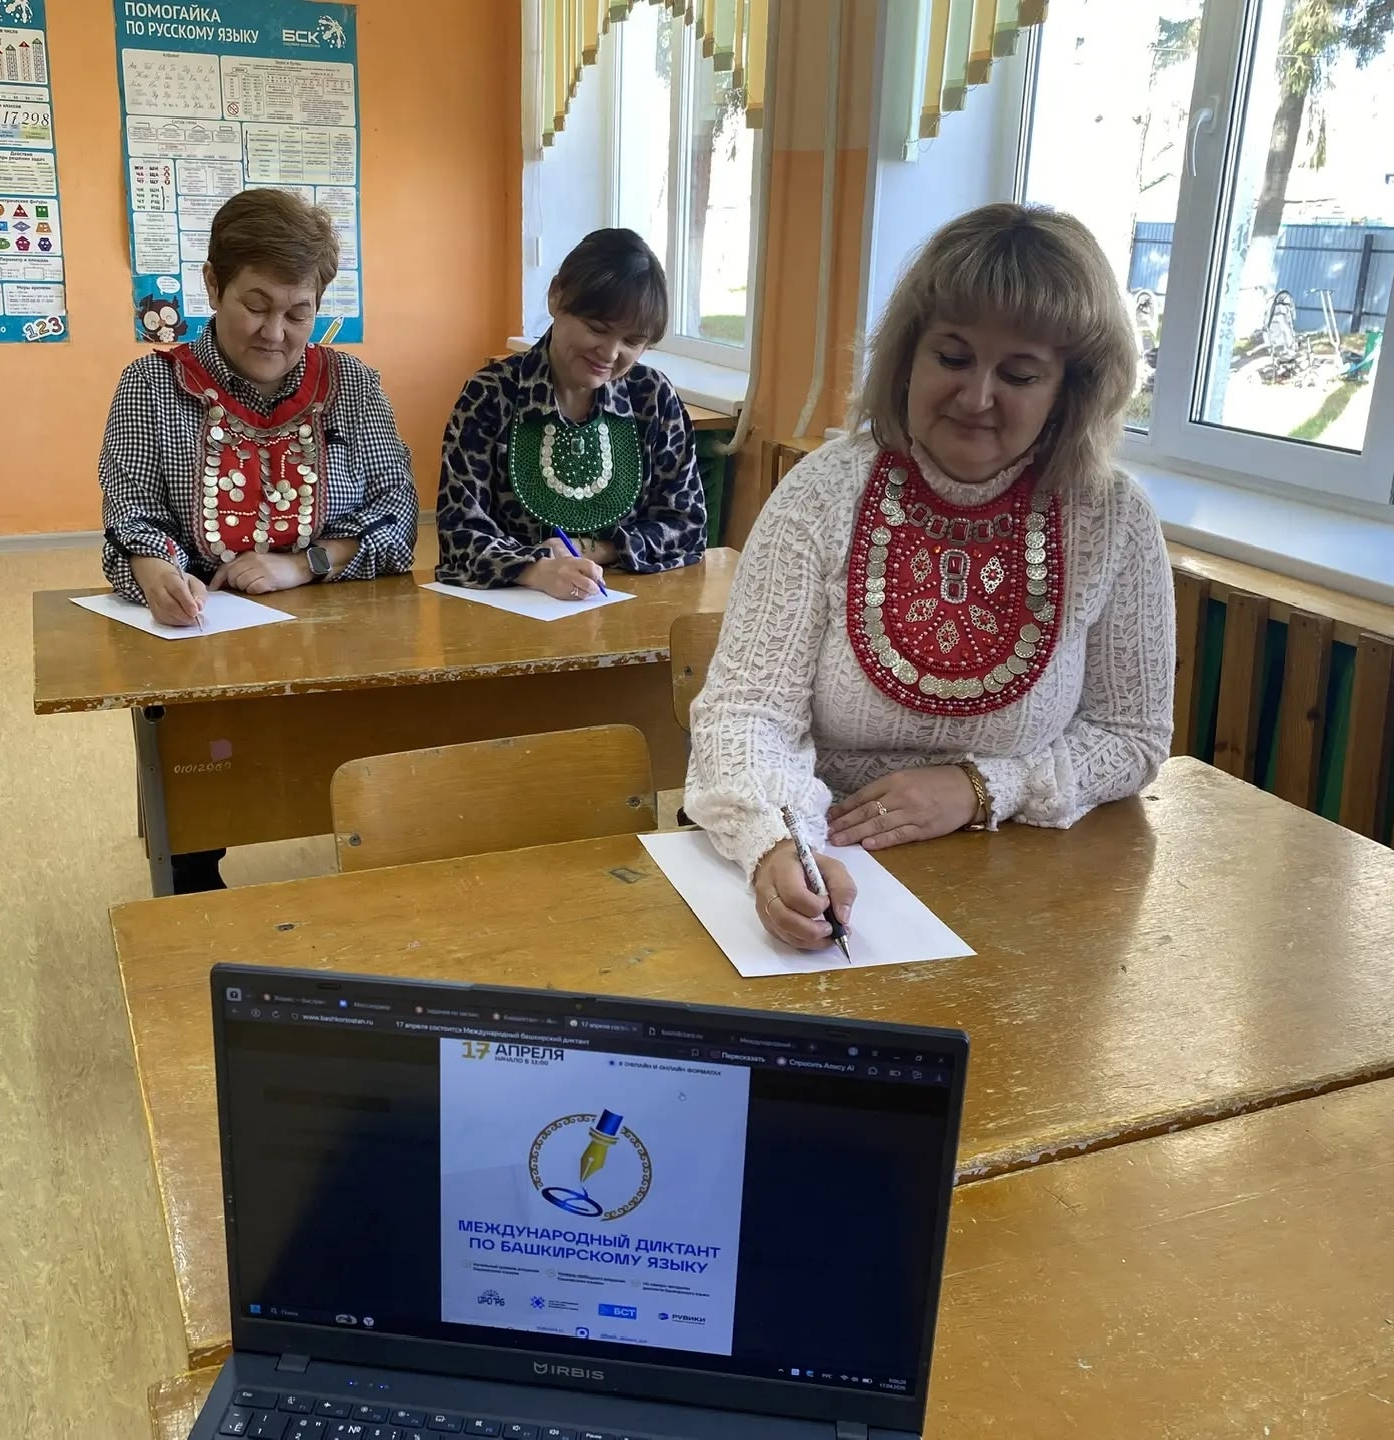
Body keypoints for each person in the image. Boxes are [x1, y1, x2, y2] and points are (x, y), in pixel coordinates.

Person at [686, 203, 1174, 950]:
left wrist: (982, 789)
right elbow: (746, 714)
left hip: (1027, 884)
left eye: (1019, 374)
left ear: (1068, 391)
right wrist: (777, 843)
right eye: (951, 358)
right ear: (907, 357)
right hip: (830, 858)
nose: (976, 398)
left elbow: (1131, 736)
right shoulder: (822, 494)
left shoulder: (1112, 517)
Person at [98, 187, 419, 891]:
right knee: (199, 779)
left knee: (372, 770)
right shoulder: (151, 388)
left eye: (298, 313)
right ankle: (194, 877)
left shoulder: (352, 386)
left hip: (337, 639)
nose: (276, 332)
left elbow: (398, 514)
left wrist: (304, 563)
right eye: (256, 304)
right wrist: (157, 573)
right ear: (213, 286)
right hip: (203, 642)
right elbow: (131, 515)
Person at [435, 229, 707, 599]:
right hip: (510, 611)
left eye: (632, 341)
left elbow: (687, 527)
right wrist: (537, 569)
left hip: (626, 610)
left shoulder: (653, 398)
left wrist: (596, 550)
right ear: (555, 296)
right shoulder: (490, 395)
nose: (610, 354)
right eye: (597, 329)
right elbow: (459, 535)